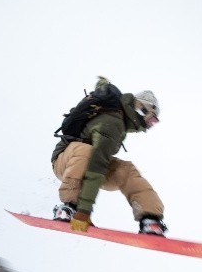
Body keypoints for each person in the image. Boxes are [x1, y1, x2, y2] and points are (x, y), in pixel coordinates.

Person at [51, 76, 166, 236]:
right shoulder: (113, 122)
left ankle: (150, 220)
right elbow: (96, 165)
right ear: (142, 109)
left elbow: (98, 163)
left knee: (126, 169)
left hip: (86, 165)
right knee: (87, 152)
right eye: (152, 120)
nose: (149, 125)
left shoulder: (119, 121)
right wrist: (84, 210)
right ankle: (70, 207)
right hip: (65, 161)